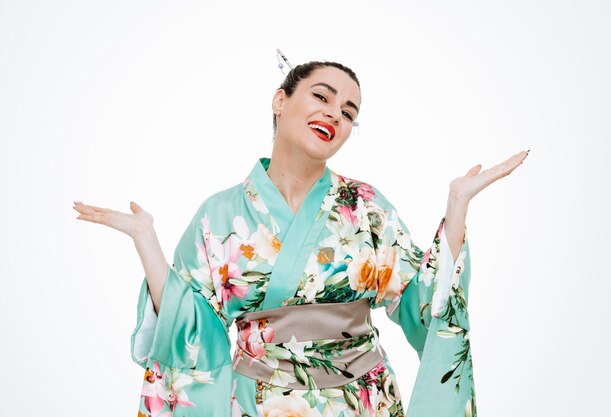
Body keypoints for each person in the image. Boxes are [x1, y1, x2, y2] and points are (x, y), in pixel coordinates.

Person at [74, 60, 528, 417]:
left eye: (349, 112)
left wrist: (456, 207)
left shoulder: (365, 205)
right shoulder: (220, 214)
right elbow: (191, 330)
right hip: (259, 404)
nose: (335, 113)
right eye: (322, 96)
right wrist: (145, 240)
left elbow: (424, 307)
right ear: (280, 100)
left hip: (363, 404)